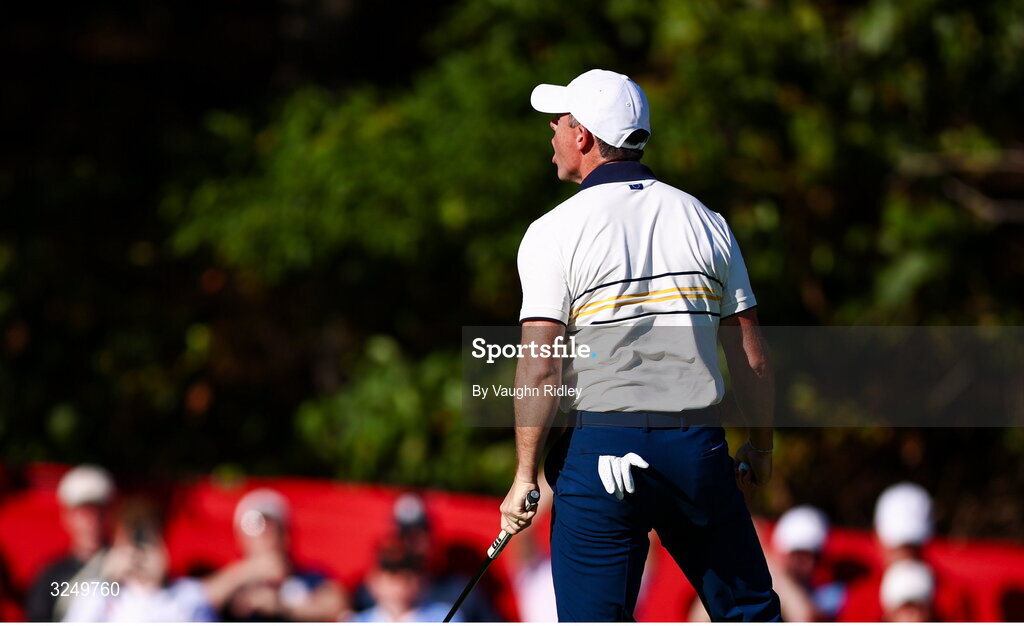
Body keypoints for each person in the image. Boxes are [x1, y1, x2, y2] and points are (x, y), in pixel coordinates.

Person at [499, 68, 780, 621]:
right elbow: (751, 356)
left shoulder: (554, 230)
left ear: (582, 136)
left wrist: (524, 476)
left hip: (600, 446)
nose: (551, 131)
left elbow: (539, 368)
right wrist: (762, 447)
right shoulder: (707, 220)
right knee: (749, 612)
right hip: (695, 447)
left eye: (558, 121)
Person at [62, 498, 216, 622]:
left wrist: (161, 588)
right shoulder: (97, 591)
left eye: (147, 540)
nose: (137, 551)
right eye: (129, 540)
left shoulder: (189, 593)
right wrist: (107, 581)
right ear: (116, 541)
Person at [203, 488, 346, 621]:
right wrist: (250, 572)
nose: (264, 534)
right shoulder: (229, 580)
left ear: (286, 535)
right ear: (240, 537)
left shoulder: (311, 578)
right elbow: (195, 601)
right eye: (254, 527)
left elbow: (339, 605)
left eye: (272, 527)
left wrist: (281, 605)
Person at [25, 465, 116, 621]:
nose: (92, 522)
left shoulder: (129, 567)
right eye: (84, 513)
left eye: (99, 512)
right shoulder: (50, 576)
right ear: (66, 516)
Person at [349, 539, 461, 622]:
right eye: (391, 572)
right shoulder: (355, 621)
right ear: (372, 580)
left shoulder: (446, 617)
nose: (399, 581)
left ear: (423, 579)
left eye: (408, 573)